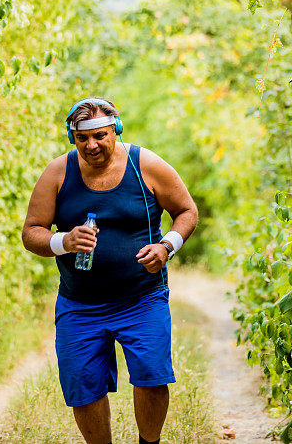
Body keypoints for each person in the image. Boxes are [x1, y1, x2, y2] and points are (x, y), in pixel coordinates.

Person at [21, 97, 198, 444]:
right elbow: (31, 232)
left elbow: (187, 211)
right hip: (79, 304)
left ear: (115, 131)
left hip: (142, 298)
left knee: (151, 375)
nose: (92, 145)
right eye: (82, 138)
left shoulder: (145, 165)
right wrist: (63, 241)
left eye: (100, 136)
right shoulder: (58, 173)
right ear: (73, 138)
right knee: (83, 386)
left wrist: (166, 246)